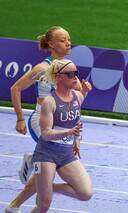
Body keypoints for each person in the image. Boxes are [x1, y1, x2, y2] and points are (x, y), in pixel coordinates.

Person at [5, 26, 89, 213]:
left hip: (61, 123)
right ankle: (33, 163)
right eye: (62, 40)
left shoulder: (68, 67)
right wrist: (19, 118)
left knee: (44, 174)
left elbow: (74, 102)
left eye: (69, 39)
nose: (68, 43)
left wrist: (83, 90)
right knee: (48, 164)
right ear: (51, 44)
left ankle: (14, 205)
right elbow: (15, 89)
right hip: (40, 121)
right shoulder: (43, 68)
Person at [30, 59, 93, 213]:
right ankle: (44, 190)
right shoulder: (49, 102)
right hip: (46, 154)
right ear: (59, 78)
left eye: (76, 73)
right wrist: (69, 133)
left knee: (86, 193)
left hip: (66, 153)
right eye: (71, 74)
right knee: (44, 205)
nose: (75, 77)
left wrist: (76, 140)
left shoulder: (78, 96)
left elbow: (75, 118)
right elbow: (45, 134)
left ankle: (47, 188)